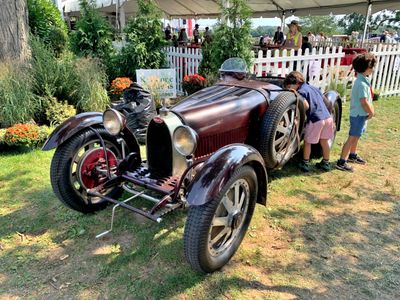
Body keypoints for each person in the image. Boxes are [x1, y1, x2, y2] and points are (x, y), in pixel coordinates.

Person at [283, 71, 334, 172]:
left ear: (297, 83)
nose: (289, 90)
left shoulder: (301, 92)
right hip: (327, 118)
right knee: (324, 141)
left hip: (316, 120)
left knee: (308, 142)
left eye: (289, 87)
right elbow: (324, 101)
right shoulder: (314, 88)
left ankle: (305, 163)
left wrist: (298, 116)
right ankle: (326, 163)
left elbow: (306, 106)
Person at [336, 53, 376, 172]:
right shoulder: (361, 84)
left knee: (357, 136)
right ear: (366, 68)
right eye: (371, 66)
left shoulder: (363, 80)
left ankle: (352, 155)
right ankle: (341, 162)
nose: (373, 69)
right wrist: (371, 112)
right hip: (359, 115)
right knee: (352, 137)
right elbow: (363, 102)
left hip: (361, 115)